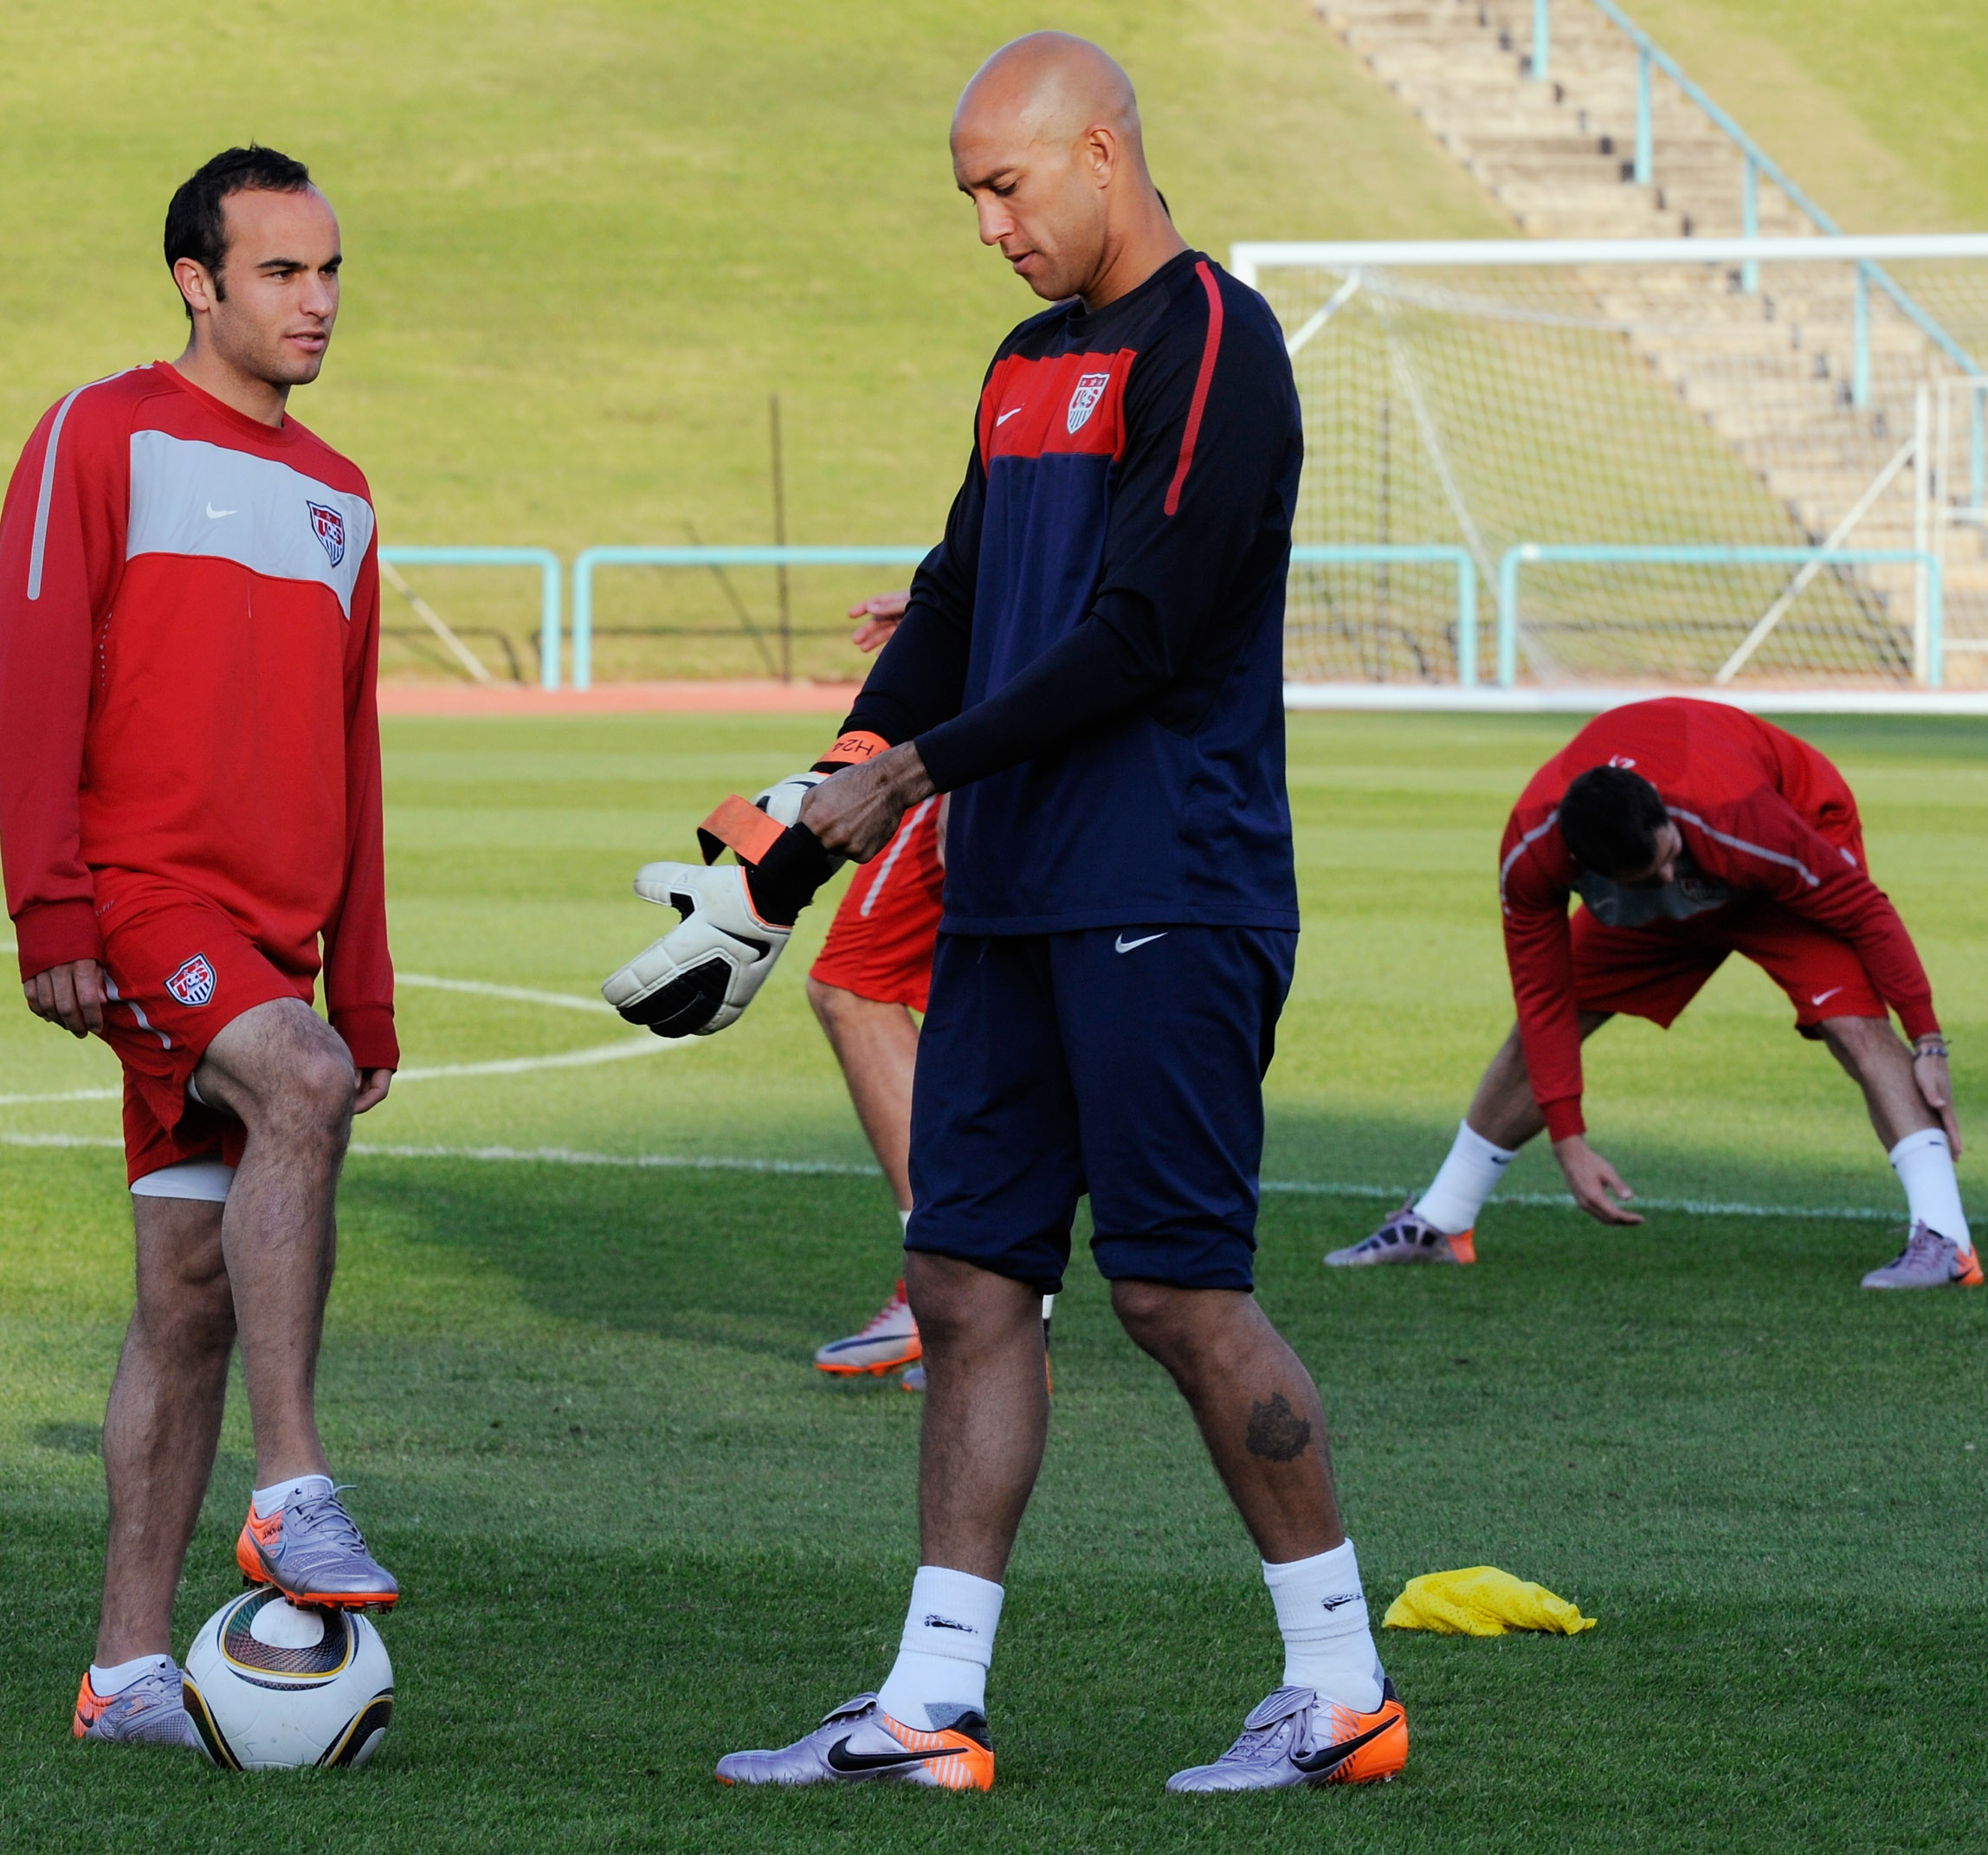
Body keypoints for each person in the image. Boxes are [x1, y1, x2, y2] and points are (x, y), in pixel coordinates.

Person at [710, 33, 1406, 1794]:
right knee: (960, 1282)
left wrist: (918, 771)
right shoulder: (1024, 364)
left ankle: (1342, 1696)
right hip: (1014, 902)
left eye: (1005, 187)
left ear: (1104, 154)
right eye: (969, 197)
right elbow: (950, 603)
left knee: (1178, 1298)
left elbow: (1144, 635)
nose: (988, 227)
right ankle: (929, 1708)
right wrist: (790, 850)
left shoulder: (1219, 344)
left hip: (1170, 886)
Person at [0, 145, 401, 1751]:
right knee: (289, 1080)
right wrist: (53, 905)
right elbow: (25, 668)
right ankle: (293, 1487)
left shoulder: (343, 493)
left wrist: (357, 983)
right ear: (197, 280)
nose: (317, 301)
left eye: (332, 270)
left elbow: (353, 753)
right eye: (283, 271)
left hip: (279, 933)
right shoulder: (105, 429)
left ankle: (126, 1673)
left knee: (182, 1298)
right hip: (150, 900)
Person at [1328, 698, 1967, 1289]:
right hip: (1651, 899)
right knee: (1539, 1033)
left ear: (1663, 812)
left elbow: (1865, 911)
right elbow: (1544, 1000)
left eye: (1669, 855)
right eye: (1651, 872)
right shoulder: (1531, 855)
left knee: (1852, 1022)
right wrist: (1568, 1142)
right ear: (1587, 868)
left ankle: (1945, 1241)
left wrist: (1929, 1039)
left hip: (1773, 849)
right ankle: (1442, 1223)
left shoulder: (1738, 818)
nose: (1671, 875)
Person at [808, 593, 1054, 1393]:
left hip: (993, 725)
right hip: (1034, 695)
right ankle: (1002, 1308)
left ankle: (951, 1298)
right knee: (1018, 1004)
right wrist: (952, 607)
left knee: (856, 984)